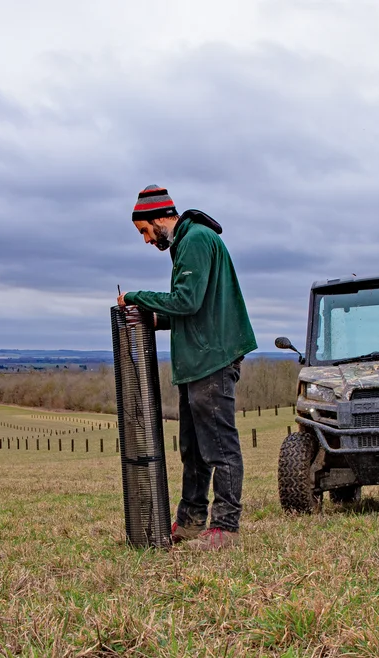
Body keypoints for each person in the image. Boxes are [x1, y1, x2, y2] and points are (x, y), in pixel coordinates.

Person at [118, 185, 257, 551]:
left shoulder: (195, 239)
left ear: (159, 218)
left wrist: (136, 298)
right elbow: (195, 309)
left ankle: (225, 529)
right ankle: (192, 521)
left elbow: (187, 300)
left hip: (212, 358)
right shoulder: (186, 242)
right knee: (193, 449)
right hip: (198, 359)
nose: (147, 240)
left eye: (145, 232)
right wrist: (156, 320)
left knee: (219, 446)